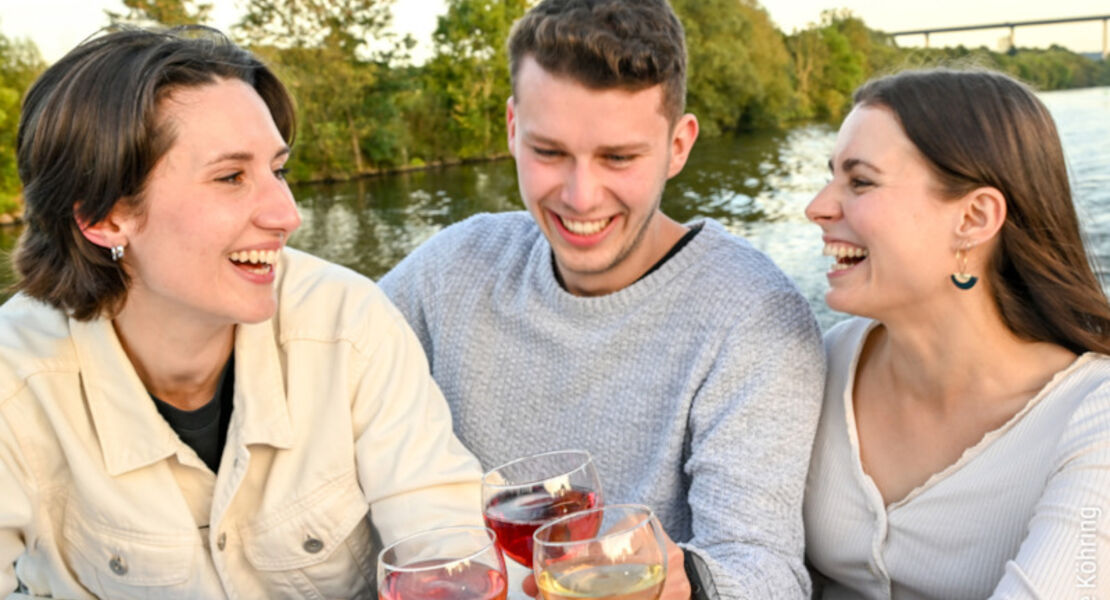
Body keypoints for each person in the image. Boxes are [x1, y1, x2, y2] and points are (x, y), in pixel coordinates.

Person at [0, 27, 483, 599]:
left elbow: (446, 550)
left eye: (277, 170)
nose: (288, 215)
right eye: (231, 177)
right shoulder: (14, 381)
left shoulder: (349, 324)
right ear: (104, 218)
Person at [380, 0, 825, 597]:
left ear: (678, 146)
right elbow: (323, 355)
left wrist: (687, 582)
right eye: (549, 152)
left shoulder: (752, 317)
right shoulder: (451, 268)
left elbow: (766, 569)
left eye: (619, 158)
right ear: (512, 128)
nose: (581, 196)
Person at [804, 68, 1110, 598]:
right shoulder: (818, 364)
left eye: (861, 182)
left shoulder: (1093, 421)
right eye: (832, 177)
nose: (817, 208)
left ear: (973, 218)